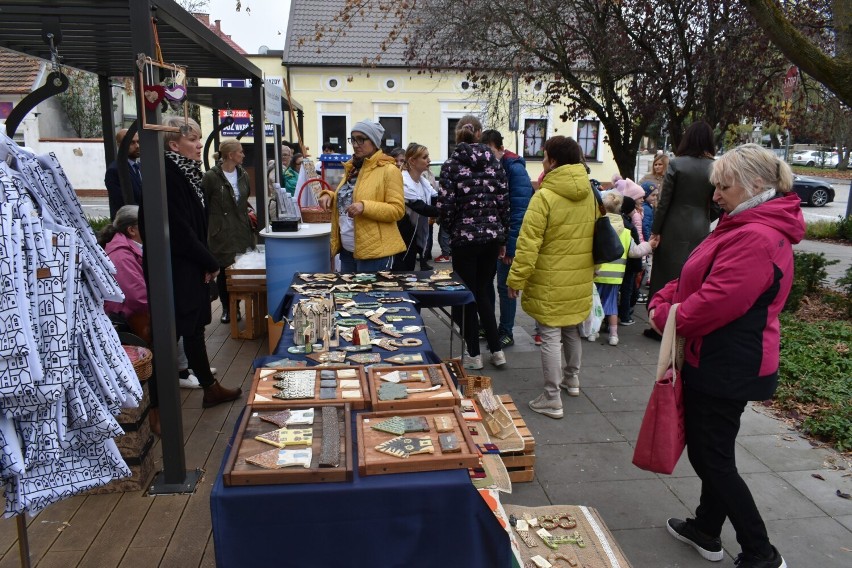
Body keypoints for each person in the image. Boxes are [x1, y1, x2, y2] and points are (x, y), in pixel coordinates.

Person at [650, 144, 802, 568]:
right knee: (715, 451)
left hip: (727, 362)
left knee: (710, 457)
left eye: (724, 185)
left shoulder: (755, 235)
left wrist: (665, 315)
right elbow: (693, 278)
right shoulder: (742, 224)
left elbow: (714, 302)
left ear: (756, 185)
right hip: (721, 357)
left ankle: (761, 552)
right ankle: (705, 528)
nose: (715, 194)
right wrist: (666, 296)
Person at [139, 116, 242, 415]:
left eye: (199, 139)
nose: (199, 145)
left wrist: (205, 259)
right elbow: (179, 230)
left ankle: (209, 387)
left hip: (188, 264)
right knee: (168, 335)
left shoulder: (184, 171)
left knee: (195, 328)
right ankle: (158, 408)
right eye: (193, 140)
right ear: (174, 144)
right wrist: (209, 260)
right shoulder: (166, 174)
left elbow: (195, 225)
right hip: (173, 268)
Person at [506, 136, 596, 417]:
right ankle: (572, 379)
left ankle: (552, 397)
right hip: (579, 276)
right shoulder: (590, 193)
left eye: (544, 156)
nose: (542, 160)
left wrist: (515, 279)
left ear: (553, 161)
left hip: (549, 279)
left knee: (549, 335)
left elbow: (528, 243)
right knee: (571, 329)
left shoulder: (544, 196)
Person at [100, 206, 202, 392]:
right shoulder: (121, 254)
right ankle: (180, 371)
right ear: (132, 230)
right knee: (176, 313)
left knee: (180, 309)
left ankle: (187, 365)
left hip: (141, 309)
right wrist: (168, 298)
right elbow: (137, 296)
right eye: (146, 224)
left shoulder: (129, 246)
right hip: (131, 317)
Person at [438, 115, 509, 370]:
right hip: (490, 237)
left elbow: (445, 205)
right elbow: (503, 202)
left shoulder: (451, 165)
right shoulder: (495, 162)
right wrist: (502, 235)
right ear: (478, 133)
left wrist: (450, 228)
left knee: (467, 294)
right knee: (483, 292)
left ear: (459, 135)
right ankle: (497, 350)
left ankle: (474, 353)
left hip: (464, 239)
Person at [646, 121, 719, 340]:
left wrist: (656, 230)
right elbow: (716, 203)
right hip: (700, 226)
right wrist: (706, 218)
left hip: (672, 225)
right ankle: (685, 320)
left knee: (663, 275)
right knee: (692, 274)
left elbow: (664, 201)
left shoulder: (676, 164)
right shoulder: (714, 167)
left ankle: (658, 322)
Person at [318, 118, 406, 272]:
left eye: (361, 139)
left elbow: (397, 210)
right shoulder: (353, 167)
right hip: (348, 250)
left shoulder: (389, 170)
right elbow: (351, 198)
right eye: (353, 139)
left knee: (371, 296)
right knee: (349, 295)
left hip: (375, 253)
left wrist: (365, 206)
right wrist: (331, 197)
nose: (356, 144)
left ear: (374, 142)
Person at [481, 129, 533, 348]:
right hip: (491, 237)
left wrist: (511, 247)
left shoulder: (514, 168)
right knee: (486, 285)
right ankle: (490, 325)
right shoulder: (489, 167)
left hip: (506, 239)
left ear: (501, 148)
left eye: (491, 151)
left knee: (505, 286)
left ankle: (506, 330)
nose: (487, 156)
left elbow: (519, 211)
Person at [201, 138, 255, 324]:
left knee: (239, 270)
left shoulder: (243, 175)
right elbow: (205, 204)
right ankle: (228, 308)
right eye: (240, 151)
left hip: (241, 229)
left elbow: (245, 199)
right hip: (220, 232)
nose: (243, 154)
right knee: (224, 272)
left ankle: (238, 304)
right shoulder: (211, 177)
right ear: (230, 154)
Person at [591, 191, 653, 346]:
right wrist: (649, 245)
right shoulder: (626, 231)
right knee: (612, 306)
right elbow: (635, 252)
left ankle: (593, 331)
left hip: (597, 273)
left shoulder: (597, 227)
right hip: (616, 276)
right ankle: (613, 335)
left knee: (594, 304)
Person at [393, 143, 439, 271]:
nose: (429, 160)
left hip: (413, 235)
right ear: (412, 161)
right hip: (401, 235)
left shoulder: (423, 181)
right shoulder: (403, 181)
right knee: (401, 272)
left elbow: (436, 199)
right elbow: (422, 208)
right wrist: (450, 210)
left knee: (409, 271)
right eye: (425, 157)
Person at [104, 128, 142, 219]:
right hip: (127, 223)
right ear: (120, 145)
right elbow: (122, 203)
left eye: (138, 141)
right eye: (132, 142)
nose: (137, 146)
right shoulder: (114, 170)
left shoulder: (140, 166)